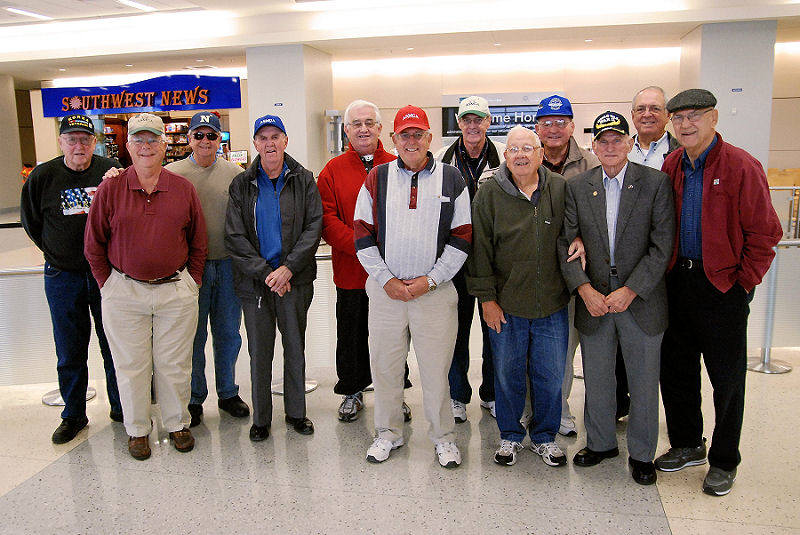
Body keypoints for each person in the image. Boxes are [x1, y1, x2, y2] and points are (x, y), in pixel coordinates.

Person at [656, 89, 782, 496]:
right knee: (677, 371)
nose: (685, 124)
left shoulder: (741, 165)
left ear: (713, 118)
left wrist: (743, 282)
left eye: (694, 115)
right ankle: (687, 443)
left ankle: (725, 460)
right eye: (678, 118)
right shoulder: (672, 164)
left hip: (722, 287)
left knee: (727, 380)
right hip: (677, 283)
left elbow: (765, 233)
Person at [85, 113, 208, 460]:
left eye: (153, 139)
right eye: (139, 139)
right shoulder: (111, 188)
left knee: (174, 364)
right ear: (128, 146)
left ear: (165, 145)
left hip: (175, 291)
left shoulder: (182, 189)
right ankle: (137, 429)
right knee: (131, 366)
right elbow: (93, 244)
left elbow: (199, 241)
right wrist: (108, 285)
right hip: (124, 291)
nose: (146, 146)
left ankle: (177, 423)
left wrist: (192, 282)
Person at [561, 112, 675, 486]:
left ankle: (642, 454)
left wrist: (631, 290)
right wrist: (584, 289)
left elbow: (662, 246)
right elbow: (566, 242)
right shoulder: (578, 187)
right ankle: (601, 443)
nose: (610, 147)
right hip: (594, 299)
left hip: (640, 299)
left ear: (629, 143)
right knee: (597, 378)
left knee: (643, 382)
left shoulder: (655, 183)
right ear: (593, 146)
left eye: (617, 140)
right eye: (603, 141)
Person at [354, 105, 470, 468]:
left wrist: (430, 280)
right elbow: (362, 234)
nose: (411, 141)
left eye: (418, 134)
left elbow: (462, 238)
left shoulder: (452, 179)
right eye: (404, 135)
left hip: (434, 293)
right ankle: (388, 433)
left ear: (429, 138)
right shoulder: (377, 178)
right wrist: (386, 279)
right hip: (386, 293)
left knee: (436, 372)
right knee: (386, 369)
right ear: (393, 139)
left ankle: (443, 438)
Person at [468, 125, 582, 467]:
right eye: (514, 149)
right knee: (508, 374)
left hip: (552, 304)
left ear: (540, 154)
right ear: (505, 156)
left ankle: (545, 437)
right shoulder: (489, 193)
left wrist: (579, 239)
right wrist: (487, 300)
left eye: (527, 149)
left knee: (550, 376)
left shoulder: (559, 187)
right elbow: (480, 249)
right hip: (506, 306)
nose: (520, 155)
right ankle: (510, 436)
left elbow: (573, 229)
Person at [20, 114, 123, 444]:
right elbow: (32, 222)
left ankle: (122, 407)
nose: (79, 145)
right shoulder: (43, 176)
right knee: (69, 348)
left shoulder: (110, 170)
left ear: (94, 142)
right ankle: (74, 414)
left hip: (106, 275)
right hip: (63, 276)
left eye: (85, 139)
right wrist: (58, 251)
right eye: (72, 139)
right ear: (61, 142)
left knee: (115, 345)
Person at [225, 114, 322, 442]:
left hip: (295, 280)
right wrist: (267, 274)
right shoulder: (241, 184)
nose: (269, 143)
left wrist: (288, 268)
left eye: (275, 137)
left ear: (285, 141)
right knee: (260, 351)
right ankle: (261, 418)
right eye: (263, 138)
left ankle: (296, 413)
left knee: (295, 347)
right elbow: (234, 236)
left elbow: (313, 227)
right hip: (256, 284)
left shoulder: (304, 179)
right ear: (255, 143)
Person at [318, 99, 412, 423]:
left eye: (369, 123)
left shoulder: (400, 165)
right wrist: (362, 249)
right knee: (351, 334)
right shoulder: (332, 171)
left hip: (392, 272)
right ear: (346, 130)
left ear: (380, 128)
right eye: (356, 124)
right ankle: (352, 391)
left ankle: (394, 394)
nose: (363, 129)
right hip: (351, 271)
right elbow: (327, 220)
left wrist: (385, 251)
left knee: (393, 336)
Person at [168, 112, 250, 427]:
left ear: (220, 140)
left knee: (228, 333)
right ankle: (194, 398)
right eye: (199, 135)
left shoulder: (235, 174)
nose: (205, 141)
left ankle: (228, 393)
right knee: (194, 335)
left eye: (211, 135)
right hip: (191, 269)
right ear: (189, 138)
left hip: (228, 266)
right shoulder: (172, 174)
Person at [534, 94, 603, 437]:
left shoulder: (591, 163)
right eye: (546, 122)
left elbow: (604, 216)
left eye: (560, 122)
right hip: (536, 272)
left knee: (567, 347)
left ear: (572, 126)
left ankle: (559, 409)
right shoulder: (527, 159)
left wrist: (582, 239)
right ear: (537, 128)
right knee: (538, 347)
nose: (553, 129)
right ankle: (535, 409)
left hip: (578, 272)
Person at [434, 95, 503, 423]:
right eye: (467, 120)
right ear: (459, 123)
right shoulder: (441, 159)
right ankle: (457, 395)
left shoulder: (503, 156)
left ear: (488, 122)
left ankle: (492, 394)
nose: (473, 126)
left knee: (495, 330)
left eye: (479, 119)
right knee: (456, 331)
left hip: (493, 260)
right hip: (454, 259)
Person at [628, 86, 680, 169]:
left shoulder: (683, 153)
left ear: (668, 115)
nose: (647, 114)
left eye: (655, 109)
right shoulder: (620, 152)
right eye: (641, 109)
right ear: (633, 115)